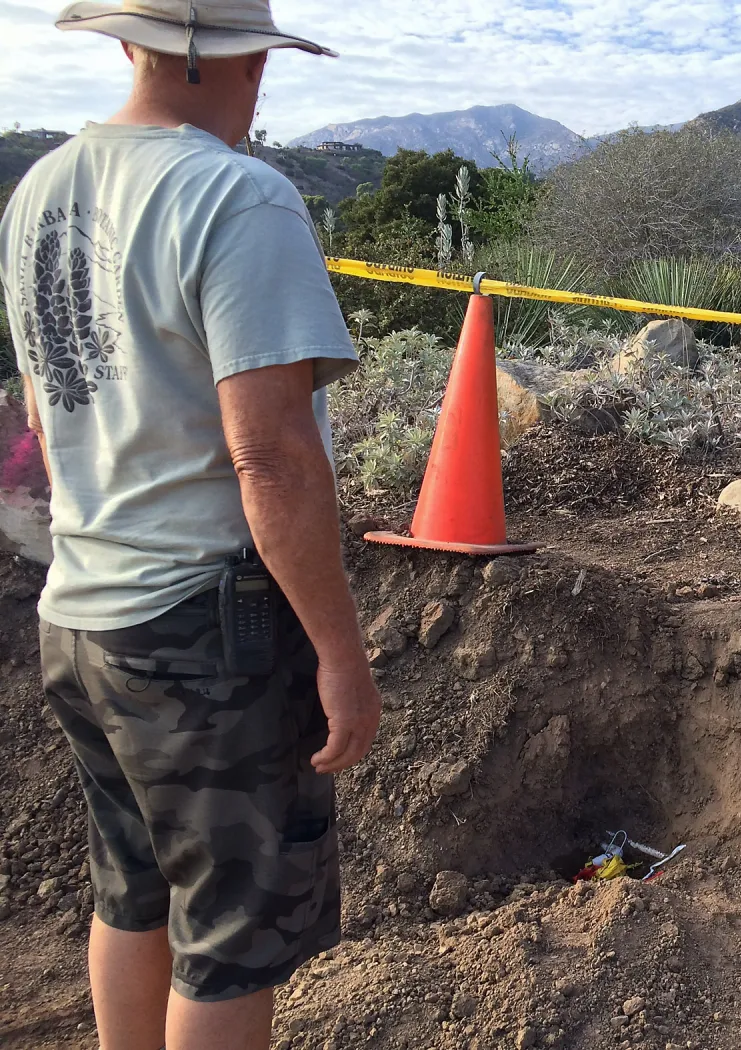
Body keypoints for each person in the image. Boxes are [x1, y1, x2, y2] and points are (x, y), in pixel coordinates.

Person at [0, 3, 381, 1048]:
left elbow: (39, 409)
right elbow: (272, 456)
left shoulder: (38, 191)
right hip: (203, 631)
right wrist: (340, 654)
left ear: (128, 42)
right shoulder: (236, 196)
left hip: (78, 615)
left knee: (132, 894)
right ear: (237, 57)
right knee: (227, 944)